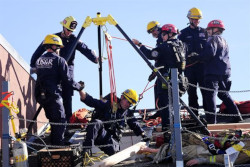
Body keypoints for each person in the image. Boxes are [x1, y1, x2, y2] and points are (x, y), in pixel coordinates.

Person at [30, 16, 98, 123]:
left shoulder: (74, 40)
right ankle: (54, 118)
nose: (69, 32)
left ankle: (68, 119)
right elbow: (39, 50)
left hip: (67, 67)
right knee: (53, 92)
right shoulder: (53, 38)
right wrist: (33, 64)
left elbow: (85, 49)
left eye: (71, 31)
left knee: (67, 91)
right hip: (54, 68)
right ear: (63, 27)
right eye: (68, 30)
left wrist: (95, 59)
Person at [134, 24, 185, 140]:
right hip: (178, 81)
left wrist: (139, 45)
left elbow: (150, 55)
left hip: (166, 82)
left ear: (169, 34)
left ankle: (167, 131)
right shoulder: (181, 45)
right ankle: (177, 128)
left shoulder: (165, 46)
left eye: (163, 34)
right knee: (175, 105)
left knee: (165, 106)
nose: (162, 37)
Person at [35, 34, 84, 145]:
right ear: (54, 46)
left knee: (53, 119)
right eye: (58, 47)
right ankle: (58, 144)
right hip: (53, 94)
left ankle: (54, 143)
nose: (59, 50)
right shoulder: (59, 60)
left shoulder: (39, 60)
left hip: (40, 95)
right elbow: (68, 79)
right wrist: (79, 87)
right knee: (61, 119)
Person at [195, 20, 243, 123]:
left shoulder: (212, 39)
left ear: (215, 29)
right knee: (223, 94)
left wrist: (196, 57)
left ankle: (212, 122)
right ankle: (237, 116)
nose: (207, 31)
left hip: (212, 72)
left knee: (210, 96)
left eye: (209, 29)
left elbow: (209, 54)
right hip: (224, 72)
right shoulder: (224, 40)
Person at [79, 89, 149, 156]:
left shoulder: (128, 113)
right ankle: (86, 149)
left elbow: (135, 124)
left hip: (112, 142)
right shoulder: (109, 104)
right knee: (96, 122)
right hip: (101, 135)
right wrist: (80, 89)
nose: (128, 105)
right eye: (128, 102)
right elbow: (90, 101)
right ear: (122, 97)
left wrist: (143, 135)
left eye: (130, 104)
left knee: (114, 154)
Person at [178, 7, 207, 116]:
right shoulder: (183, 33)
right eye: (194, 19)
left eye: (198, 19)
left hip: (202, 67)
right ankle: (195, 117)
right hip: (189, 68)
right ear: (189, 19)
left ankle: (209, 116)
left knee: (206, 92)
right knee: (192, 93)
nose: (196, 21)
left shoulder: (205, 32)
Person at [132, 21, 163, 107]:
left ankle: (162, 112)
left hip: (167, 72)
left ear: (157, 28)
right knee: (157, 87)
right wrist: (154, 73)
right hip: (162, 70)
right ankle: (159, 110)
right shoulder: (160, 40)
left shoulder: (162, 40)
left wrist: (139, 45)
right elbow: (159, 59)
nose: (152, 34)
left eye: (153, 31)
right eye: (151, 32)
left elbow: (151, 55)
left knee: (161, 91)